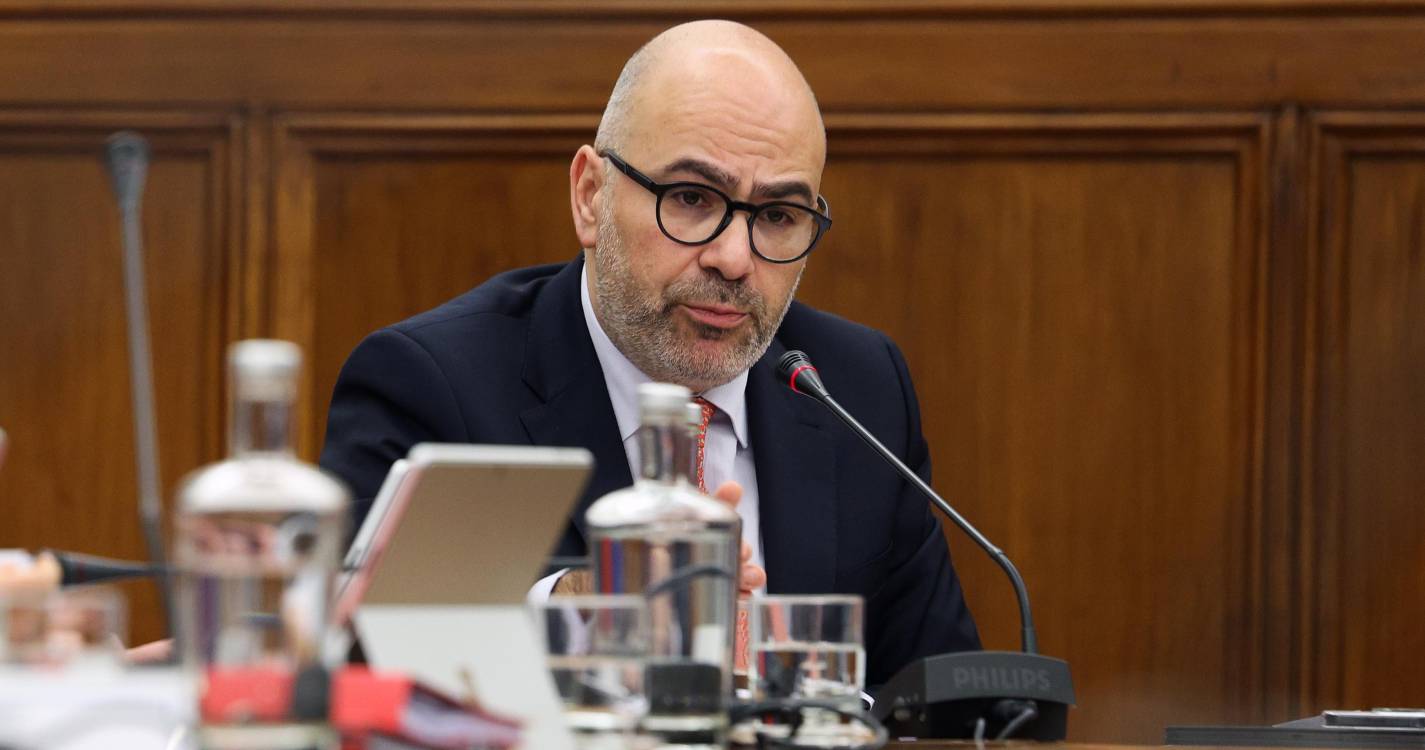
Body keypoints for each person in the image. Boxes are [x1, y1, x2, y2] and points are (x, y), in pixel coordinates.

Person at [320, 19, 980, 688]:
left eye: (778, 216)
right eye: (691, 199)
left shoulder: (857, 389)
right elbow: (357, 669)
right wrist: (585, 608)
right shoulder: (435, 384)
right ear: (590, 196)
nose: (734, 259)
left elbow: (946, 698)